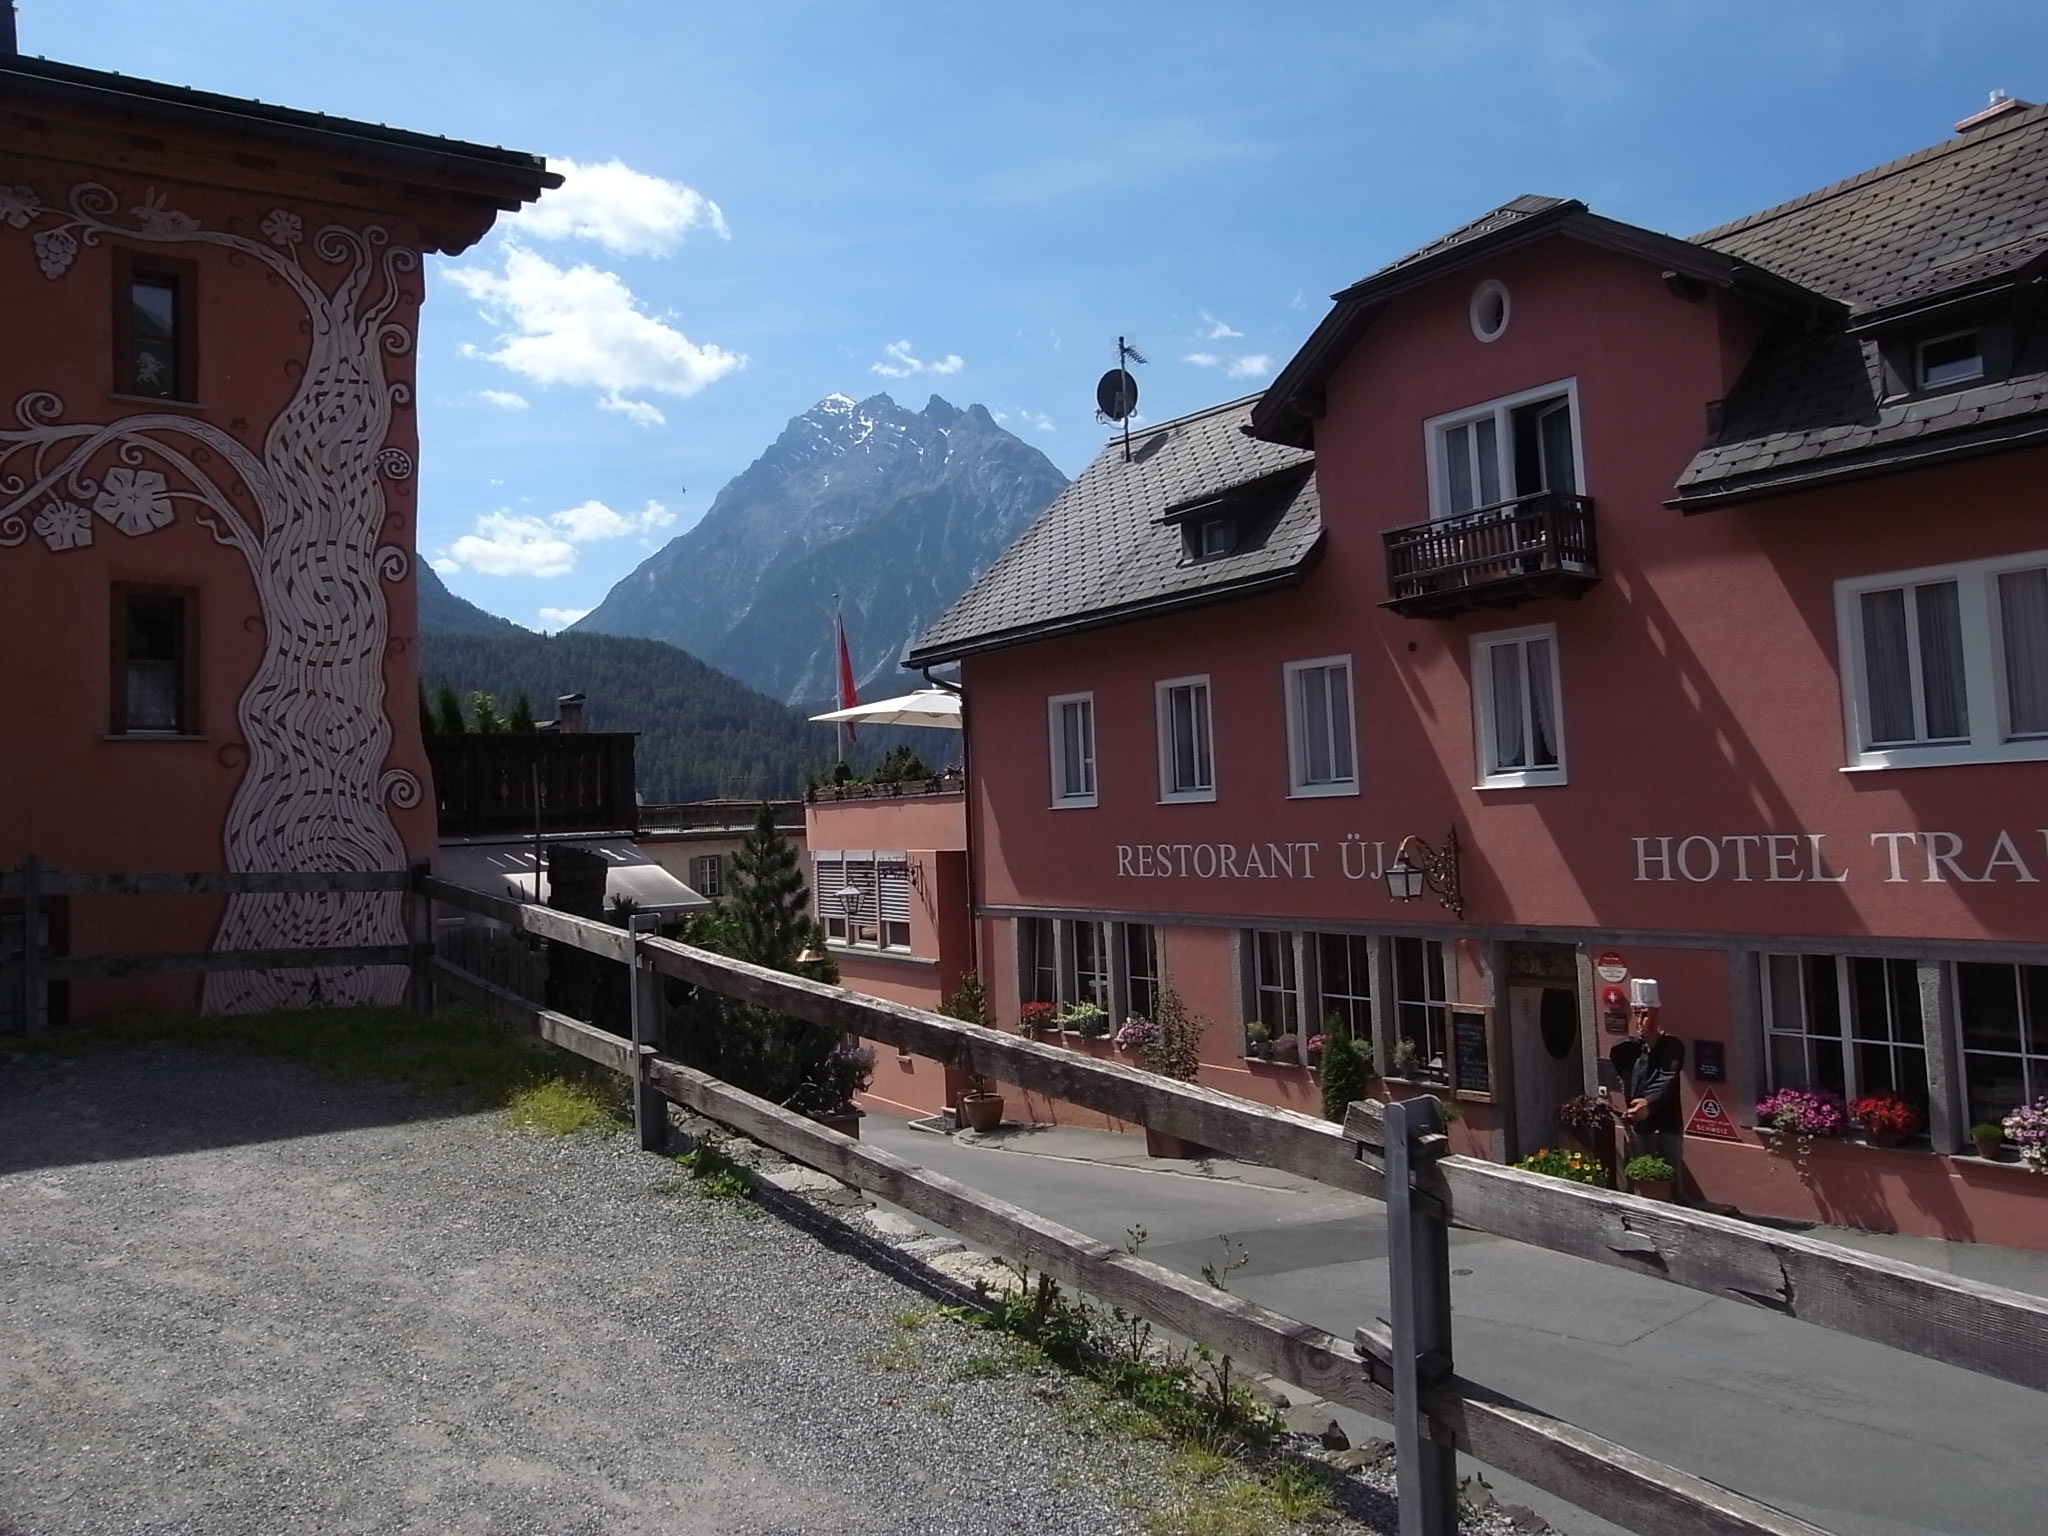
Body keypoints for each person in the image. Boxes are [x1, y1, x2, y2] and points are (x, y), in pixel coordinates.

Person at [1609, 993, 1685, 1191]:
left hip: (1667, 1121)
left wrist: (1648, 1102)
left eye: (1645, 1015)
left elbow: (1666, 1077)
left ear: (1657, 1015)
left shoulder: (1671, 1046)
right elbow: (1624, 1076)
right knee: (1640, 1171)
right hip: (1639, 1123)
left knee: (1670, 1175)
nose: (1639, 1022)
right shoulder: (1628, 1047)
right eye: (1636, 1014)